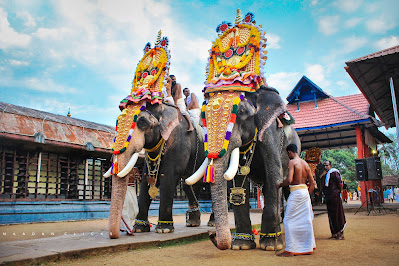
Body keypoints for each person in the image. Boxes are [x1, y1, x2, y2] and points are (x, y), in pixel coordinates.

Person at [276, 143, 316, 257]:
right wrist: (307, 194)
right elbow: (312, 183)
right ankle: (307, 247)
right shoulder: (305, 164)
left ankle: (291, 249)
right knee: (306, 219)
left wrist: (279, 185)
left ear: (289, 152)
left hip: (296, 191)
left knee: (288, 219)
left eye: (288, 153)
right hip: (304, 192)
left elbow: (289, 180)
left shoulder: (292, 162)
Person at [322, 160, 346, 240]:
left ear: (330, 166)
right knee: (331, 215)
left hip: (335, 196)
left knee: (337, 214)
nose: (325, 167)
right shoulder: (326, 174)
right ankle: (334, 233)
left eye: (327, 165)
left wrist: (339, 193)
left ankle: (340, 233)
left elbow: (340, 184)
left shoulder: (334, 172)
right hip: (329, 198)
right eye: (324, 165)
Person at [120, 167, 140, 235]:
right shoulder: (121, 166)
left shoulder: (135, 169)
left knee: (135, 210)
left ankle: (125, 226)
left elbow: (140, 180)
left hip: (132, 188)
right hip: (124, 188)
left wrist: (138, 177)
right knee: (124, 208)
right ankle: (129, 228)